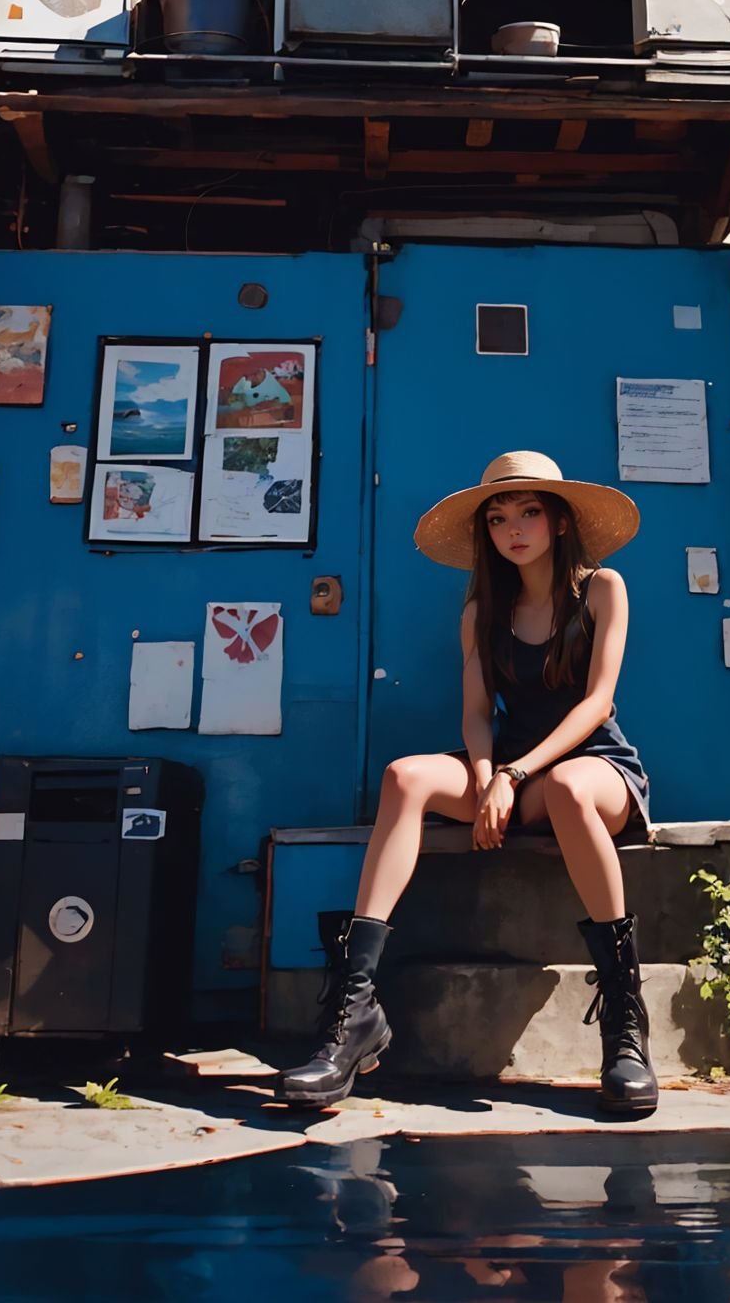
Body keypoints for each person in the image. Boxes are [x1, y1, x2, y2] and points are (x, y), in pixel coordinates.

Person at [277, 452, 658, 1120]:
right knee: (405, 776)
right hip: (510, 770)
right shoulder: (482, 610)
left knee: (568, 788)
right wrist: (487, 779)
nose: (514, 528)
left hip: (593, 768)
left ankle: (625, 1021)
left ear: (561, 521)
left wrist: (513, 774)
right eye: (499, 517)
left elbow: (597, 703)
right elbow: (477, 715)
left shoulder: (602, 588)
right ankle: (354, 1009)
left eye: (530, 512)